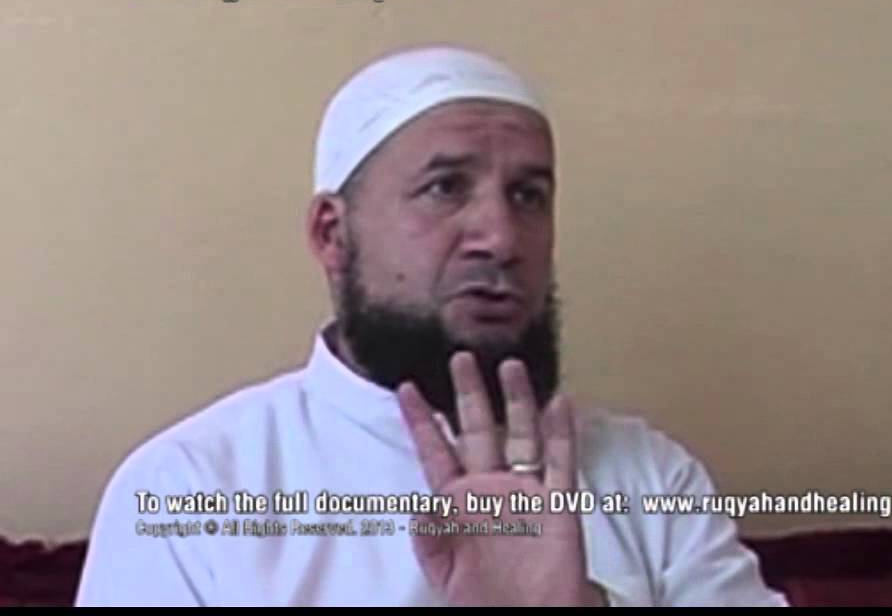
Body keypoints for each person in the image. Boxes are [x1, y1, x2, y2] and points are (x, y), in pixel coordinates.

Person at [74, 44, 789, 607]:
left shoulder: (649, 475)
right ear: (332, 234)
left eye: (528, 196)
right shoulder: (189, 488)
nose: (500, 238)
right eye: (445, 188)